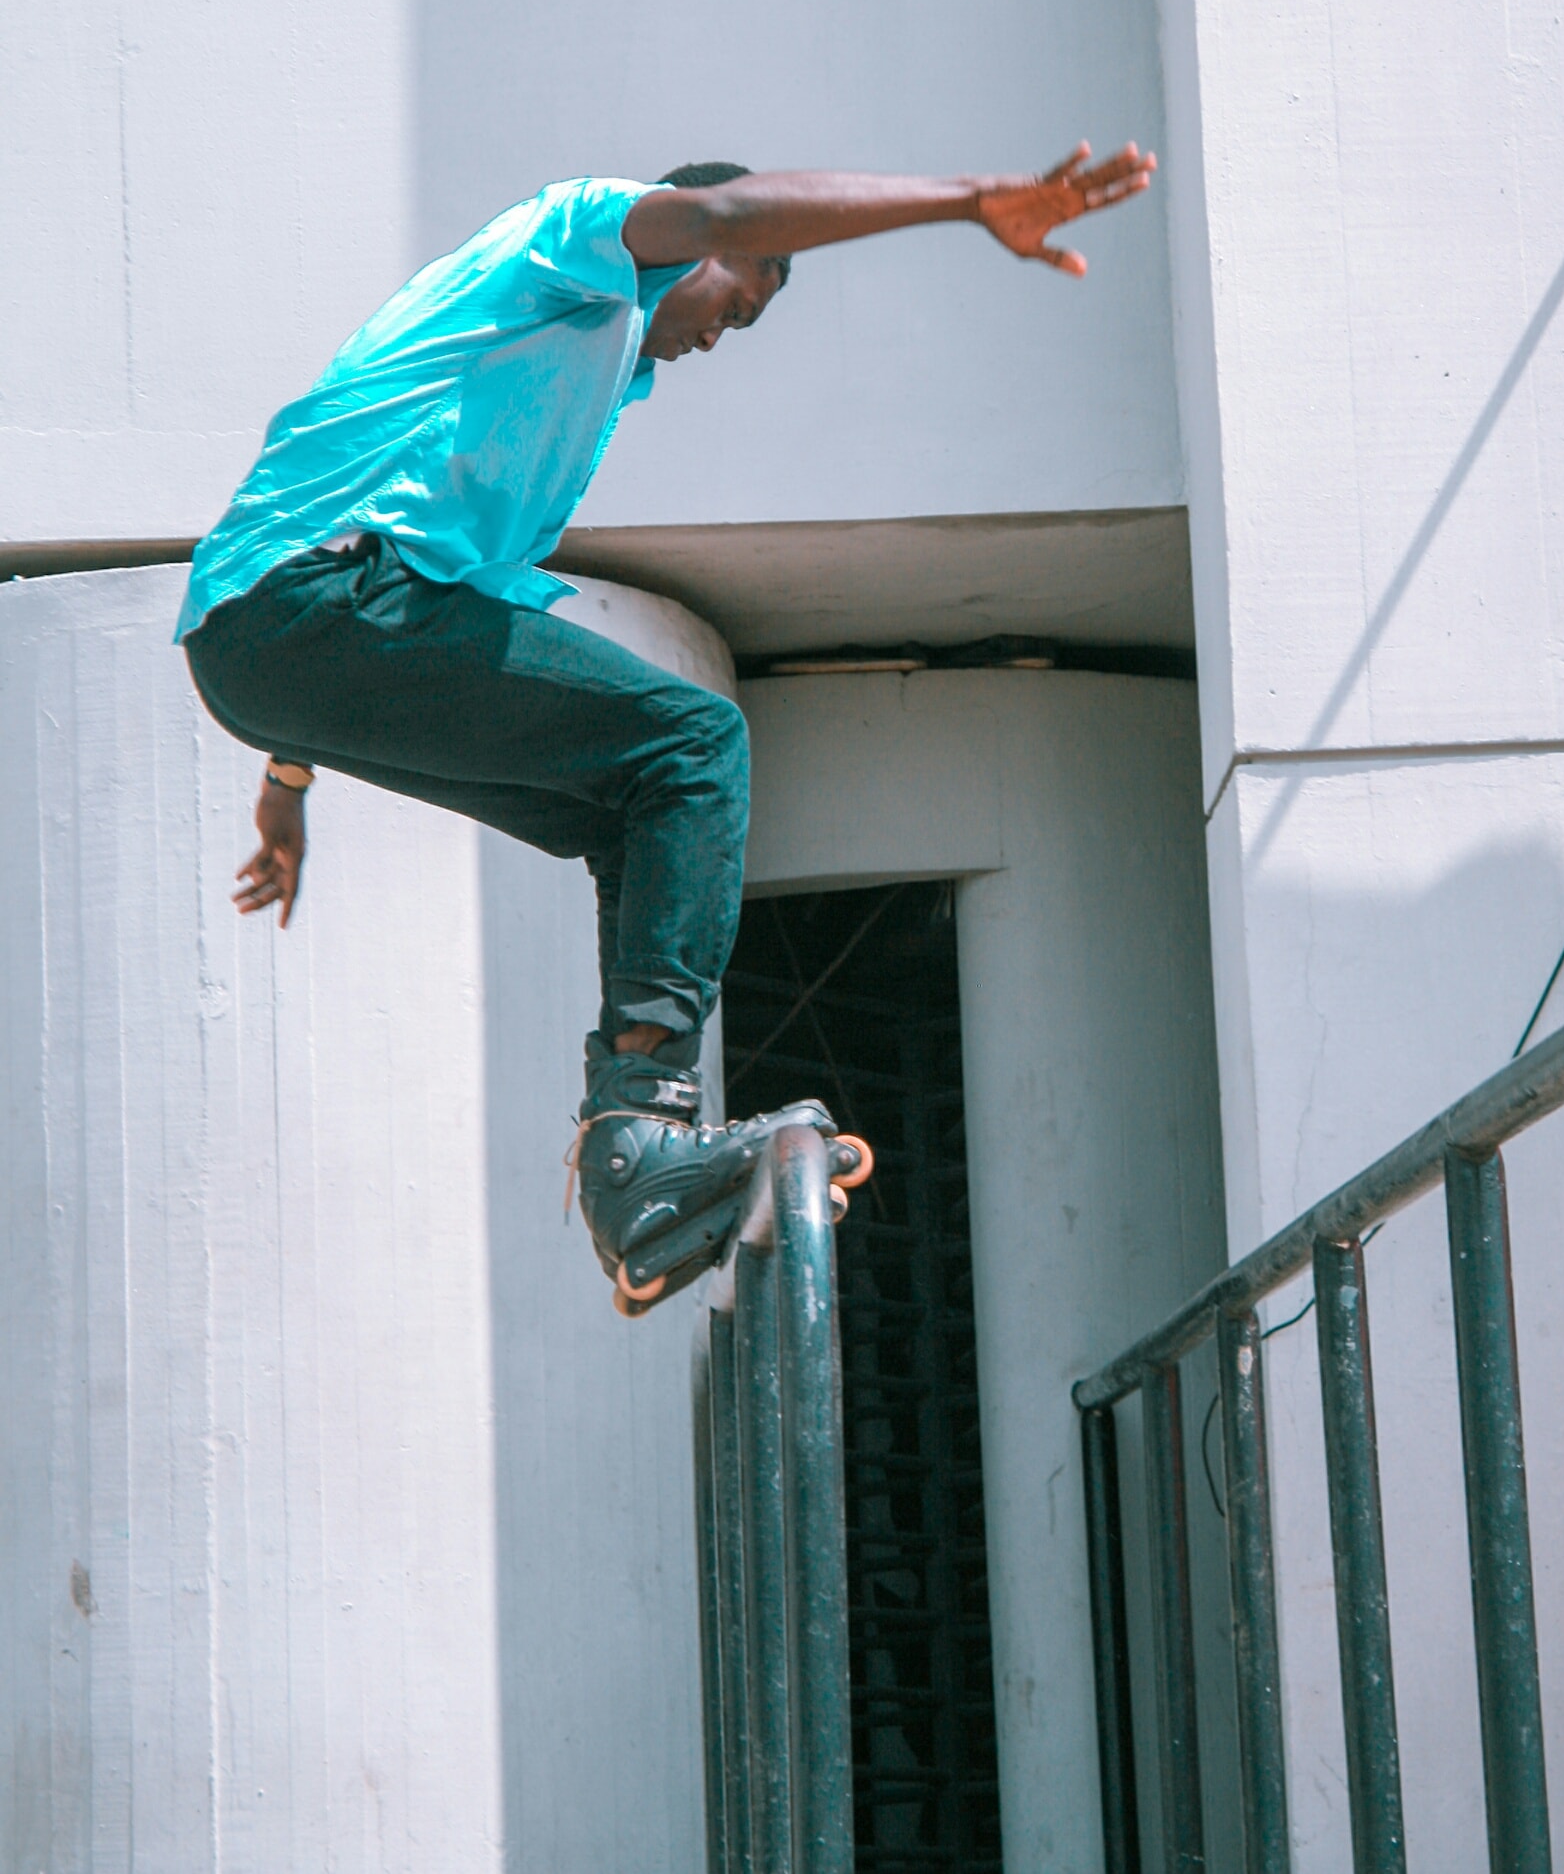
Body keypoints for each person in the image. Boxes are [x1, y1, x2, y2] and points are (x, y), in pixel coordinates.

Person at [179, 146, 1156, 1314]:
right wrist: (968, 200)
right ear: (704, 252)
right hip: (310, 603)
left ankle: (631, 1162)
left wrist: (287, 780)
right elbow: (730, 209)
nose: (714, 342)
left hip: (264, 647)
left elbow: (379, 609)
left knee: (627, 809)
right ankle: (642, 1132)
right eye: (734, 307)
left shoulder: (568, 380)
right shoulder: (572, 238)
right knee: (694, 746)